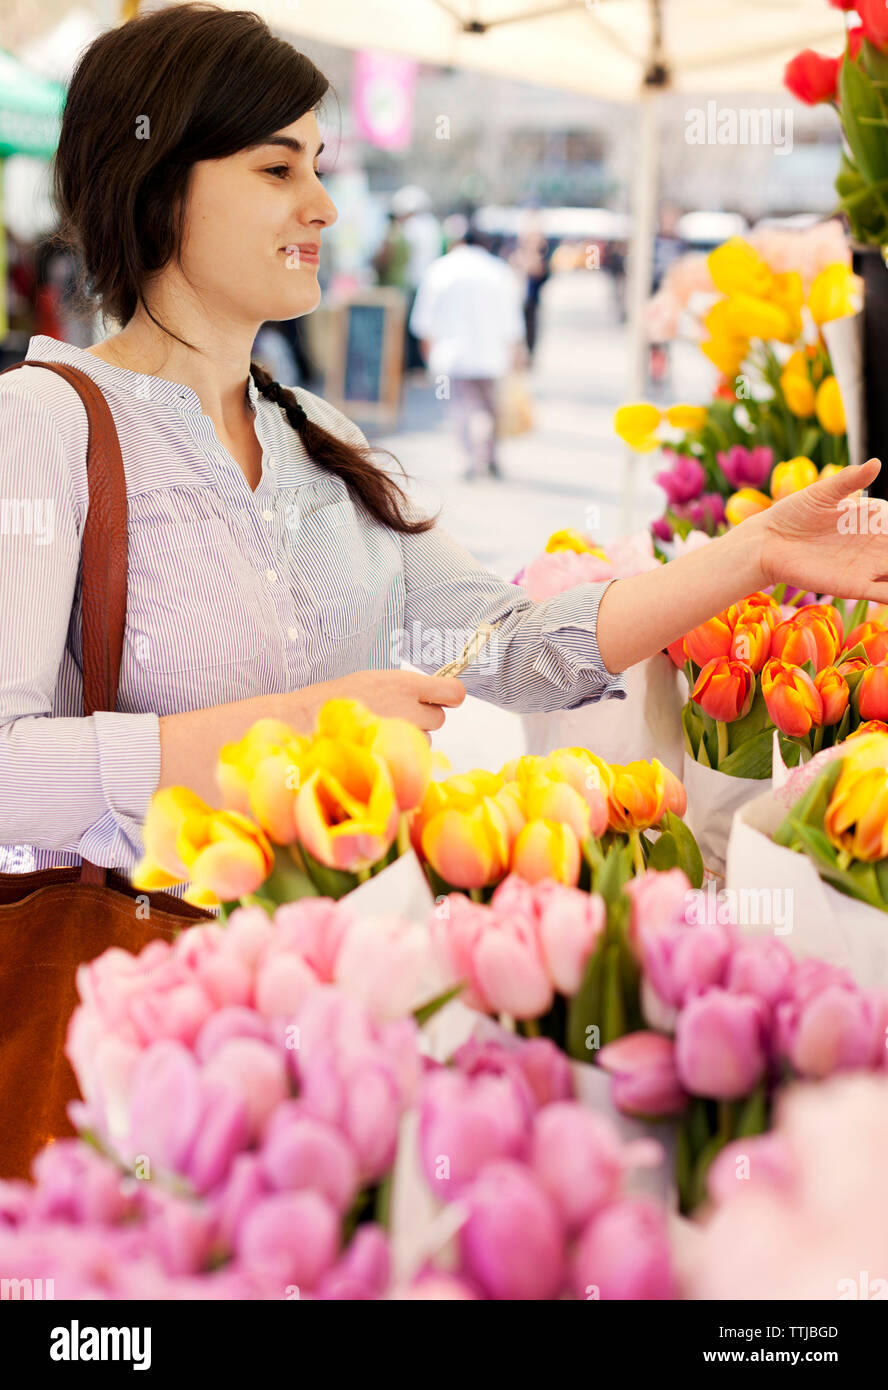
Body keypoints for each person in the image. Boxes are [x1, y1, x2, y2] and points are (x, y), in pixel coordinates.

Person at [2, 5, 888, 890]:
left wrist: (758, 551)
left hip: (336, 971)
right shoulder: (44, 423)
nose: (323, 205)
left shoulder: (319, 436)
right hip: (135, 989)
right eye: (277, 168)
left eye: (318, 166)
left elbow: (518, 648)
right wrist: (310, 723)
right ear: (155, 186)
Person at [410, 224, 527, 480]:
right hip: (492, 356)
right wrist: (517, 351)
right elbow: (512, 320)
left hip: (452, 356)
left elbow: (423, 320)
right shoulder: (498, 270)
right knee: (491, 409)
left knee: (460, 409)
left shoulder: (440, 269)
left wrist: (428, 354)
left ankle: (467, 459)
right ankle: (490, 456)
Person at [391, 185, 442, 373]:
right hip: (427, 280)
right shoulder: (433, 225)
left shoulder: (412, 227)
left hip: (414, 282)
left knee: (414, 325)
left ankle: (414, 365)